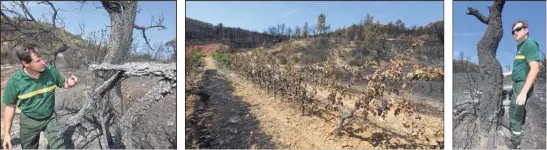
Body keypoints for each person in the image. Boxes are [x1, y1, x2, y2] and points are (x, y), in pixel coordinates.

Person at [2, 45, 79, 149]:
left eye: (42, 58)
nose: (43, 62)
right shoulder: (15, 82)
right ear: (25, 63)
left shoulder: (51, 71)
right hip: (29, 121)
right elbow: (10, 107)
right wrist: (6, 134)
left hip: (49, 118)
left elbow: (63, 83)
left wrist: (69, 84)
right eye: (38, 61)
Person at [503, 20, 540, 149]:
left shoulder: (529, 44)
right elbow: (522, 67)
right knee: (518, 110)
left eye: (518, 29)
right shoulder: (520, 47)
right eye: (513, 31)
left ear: (526, 29)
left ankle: (515, 143)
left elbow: (535, 68)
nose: (515, 33)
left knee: (515, 112)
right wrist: (508, 73)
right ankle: (519, 132)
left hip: (522, 84)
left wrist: (523, 92)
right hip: (519, 82)